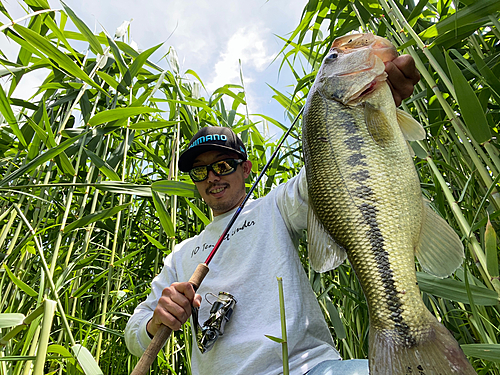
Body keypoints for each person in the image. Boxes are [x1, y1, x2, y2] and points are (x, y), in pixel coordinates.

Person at [125, 55, 420, 375]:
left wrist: (364, 113)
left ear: (246, 169)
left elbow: (332, 173)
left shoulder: (277, 205)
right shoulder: (181, 256)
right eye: (200, 171)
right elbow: (134, 334)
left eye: (222, 165)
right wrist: (157, 321)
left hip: (309, 369)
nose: (212, 177)